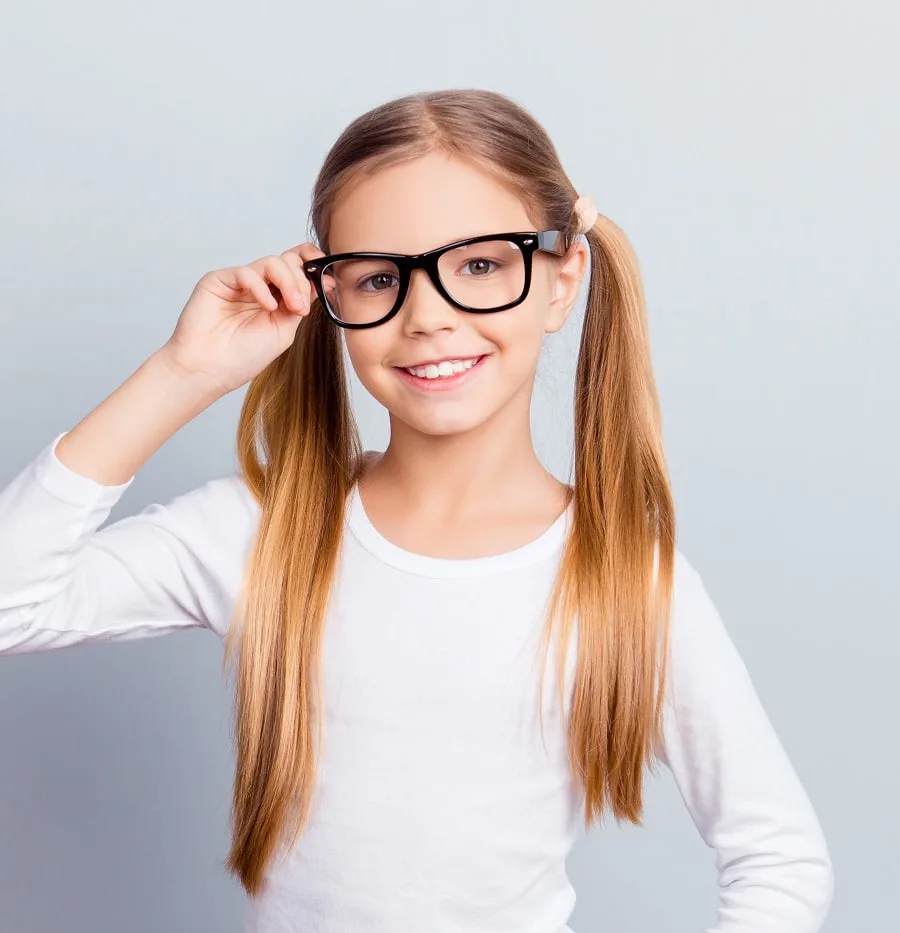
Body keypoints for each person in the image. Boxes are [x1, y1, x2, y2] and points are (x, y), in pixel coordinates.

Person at [0, 88, 833, 932]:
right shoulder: (264, 534)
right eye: (379, 278)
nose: (427, 317)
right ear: (330, 298)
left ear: (560, 280)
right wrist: (185, 373)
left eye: (478, 264)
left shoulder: (622, 578)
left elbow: (780, 858)